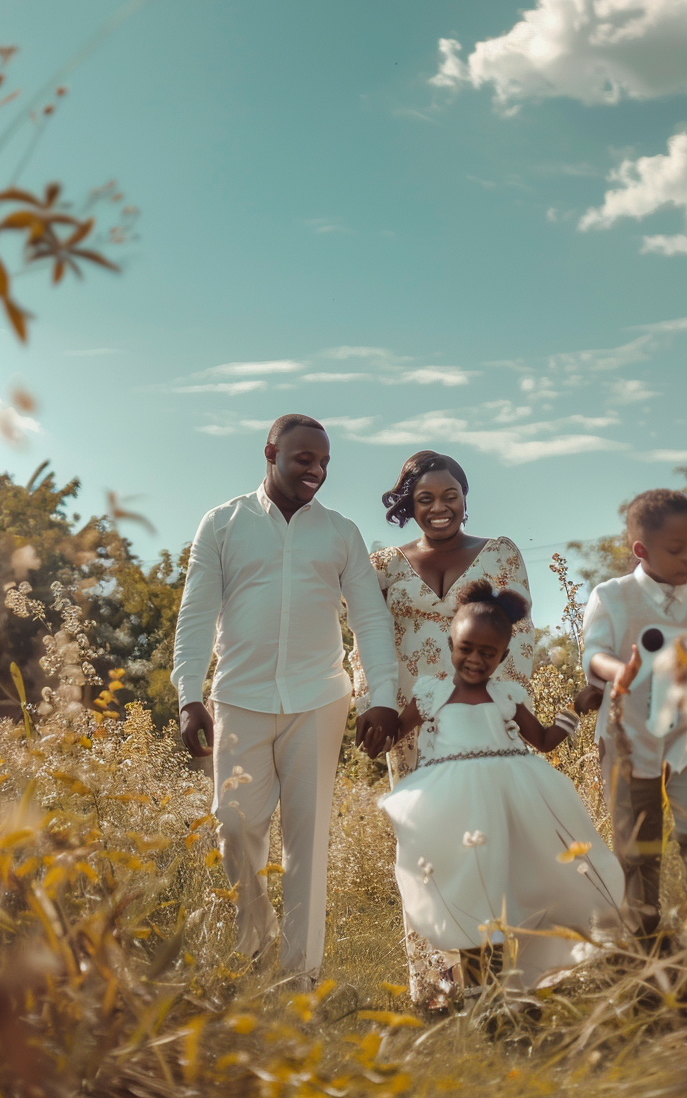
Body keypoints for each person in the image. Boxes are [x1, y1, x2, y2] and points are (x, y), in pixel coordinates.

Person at [171, 414, 399, 983]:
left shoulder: (341, 532)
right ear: (271, 452)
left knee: (307, 842)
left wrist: (383, 698)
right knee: (234, 824)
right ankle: (254, 942)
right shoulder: (222, 524)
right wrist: (187, 693)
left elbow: (370, 620)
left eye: (324, 462)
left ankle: (300, 976)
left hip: (319, 700)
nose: (317, 470)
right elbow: (196, 613)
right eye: (305, 459)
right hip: (238, 698)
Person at [350, 450, 540, 1004]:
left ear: (465, 497)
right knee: (425, 847)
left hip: (483, 722)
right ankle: (437, 989)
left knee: (485, 845)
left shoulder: (499, 554)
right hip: (412, 728)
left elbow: (521, 636)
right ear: (408, 503)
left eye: (450, 495)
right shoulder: (383, 565)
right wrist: (374, 707)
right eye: (425, 498)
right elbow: (369, 639)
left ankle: (497, 985)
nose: (439, 508)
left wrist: (503, 703)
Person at [375, 580, 625, 994]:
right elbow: (395, 734)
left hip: (511, 801)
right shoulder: (430, 695)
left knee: (510, 890)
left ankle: (511, 991)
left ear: (503, 656)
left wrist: (575, 709)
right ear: (450, 642)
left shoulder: (507, 696)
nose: (474, 660)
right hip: (453, 807)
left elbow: (543, 741)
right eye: (465, 648)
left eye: (487, 654)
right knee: (470, 895)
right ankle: (478, 995)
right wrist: (376, 731)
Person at [582, 488, 687, 939]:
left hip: (685, 738)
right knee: (637, 842)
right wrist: (619, 671)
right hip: (628, 737)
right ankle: (643, 937)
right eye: (676, 549)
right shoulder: (612, 597)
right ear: (641, 550)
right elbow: (593, 654)